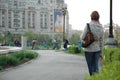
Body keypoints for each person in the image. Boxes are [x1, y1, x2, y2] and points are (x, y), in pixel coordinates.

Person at [81, 11, 104, 76]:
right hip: (97, 49)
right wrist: (101, 53)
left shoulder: (88, 25)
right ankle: (96, 78)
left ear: (91, 17)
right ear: (98, 18)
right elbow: (102, 41)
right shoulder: (101, 27)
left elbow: (82, 37)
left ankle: (92, 78)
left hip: (88, 49)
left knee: (90, 67)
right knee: (96, 66)